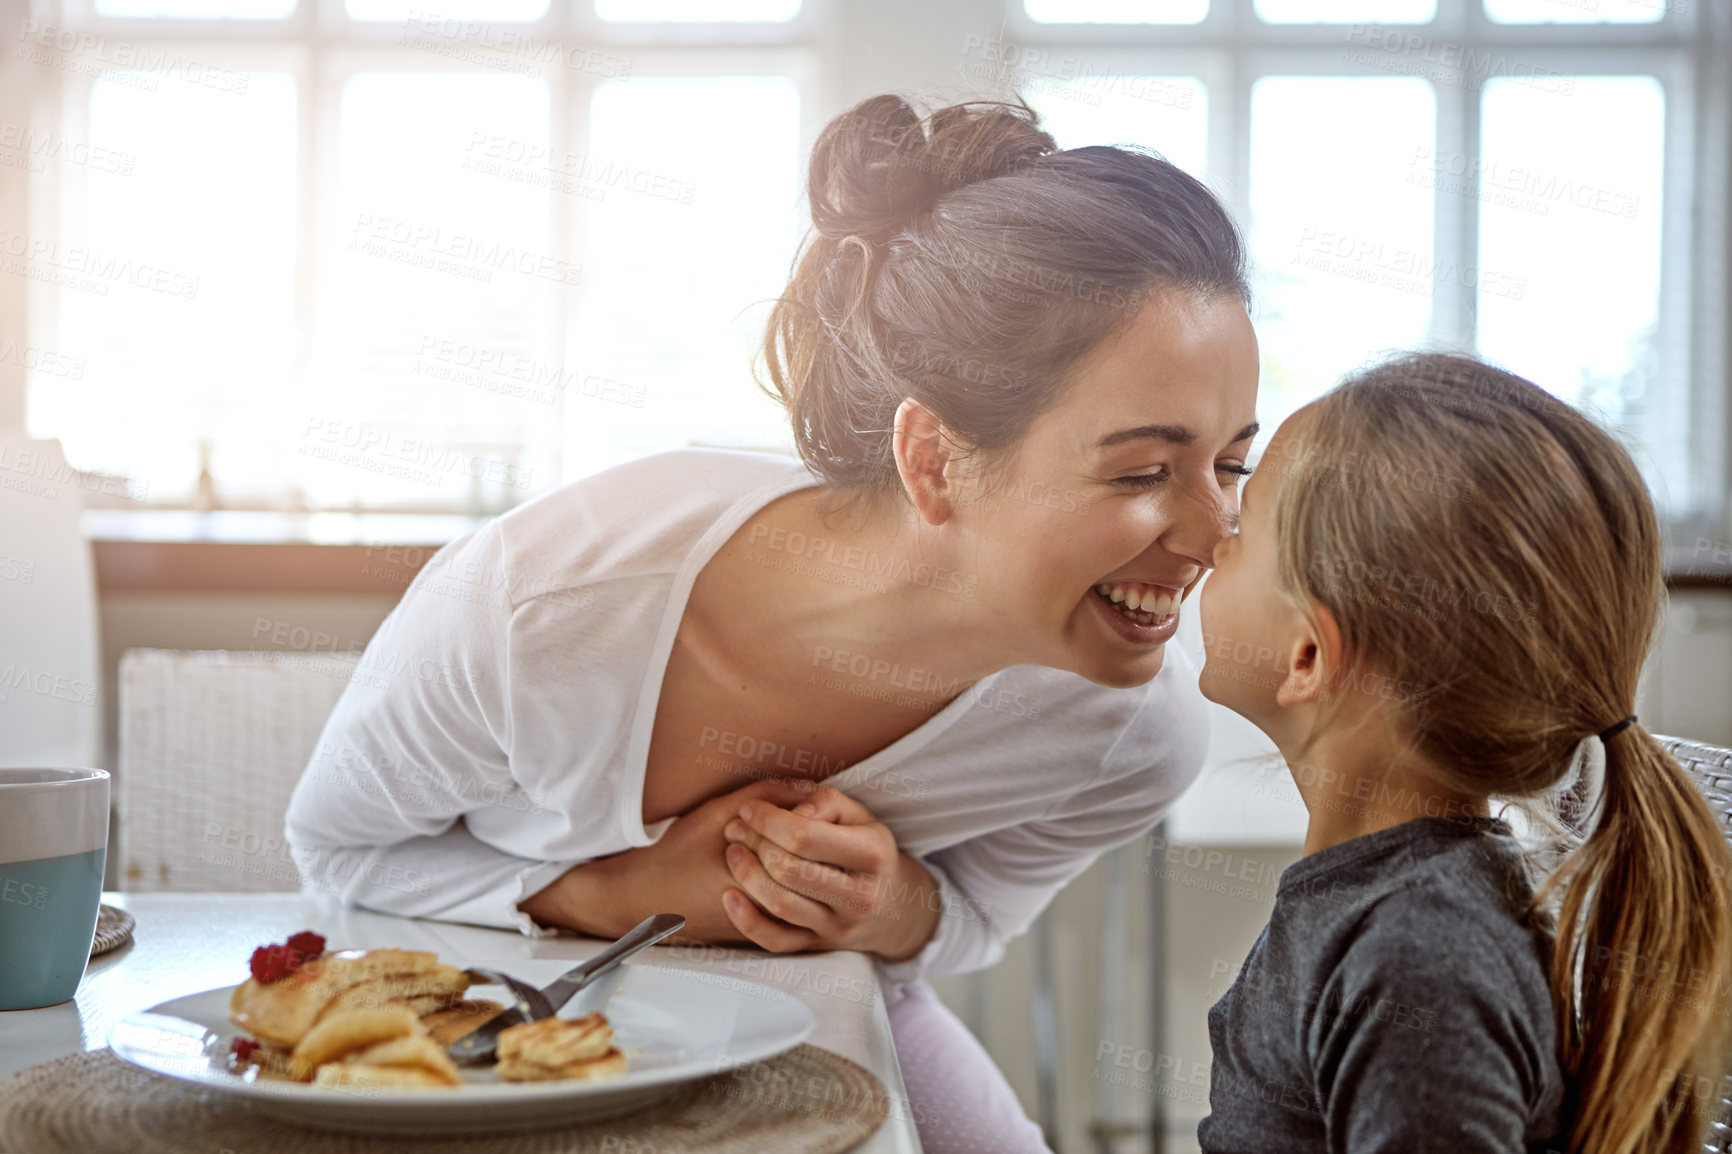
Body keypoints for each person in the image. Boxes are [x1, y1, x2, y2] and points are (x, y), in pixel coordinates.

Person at [284, 90, 1260, 1153]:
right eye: (1144, 471)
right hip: (498, 1006)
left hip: (834, 1003)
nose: (1218, 533)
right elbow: (340, 852)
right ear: (933, 460)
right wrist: (622, 891)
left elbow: (969, 924)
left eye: (1231, 464)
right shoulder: (542, 600)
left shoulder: (1126, 732)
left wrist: (889, 908)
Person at [1194, 351, 1732, 1154]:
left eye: (1243, 527)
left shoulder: (1418, 954)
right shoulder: (1389, 909)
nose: (1211, 542)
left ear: (1309, 655)